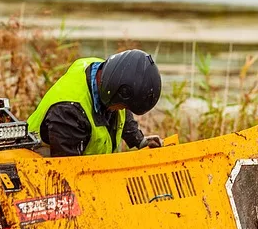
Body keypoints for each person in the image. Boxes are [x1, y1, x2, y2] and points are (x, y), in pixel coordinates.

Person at [27, 49, 162, 157]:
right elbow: (67, 173)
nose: (122, 110)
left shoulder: (107, 72)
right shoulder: (68, 112)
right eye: (123, 106)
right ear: (112, 92)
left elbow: (123, 112)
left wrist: (139, 140)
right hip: (39, 165)